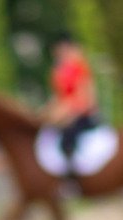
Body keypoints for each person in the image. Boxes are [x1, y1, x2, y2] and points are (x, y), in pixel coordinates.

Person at [44, 31, 101, 165]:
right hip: (65, 112)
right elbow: (58, 96)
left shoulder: (80, 66)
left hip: (81, 113)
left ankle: (73, 173)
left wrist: (67, 110)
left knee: (68, 138)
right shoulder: (58, 71)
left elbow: (87, 97)